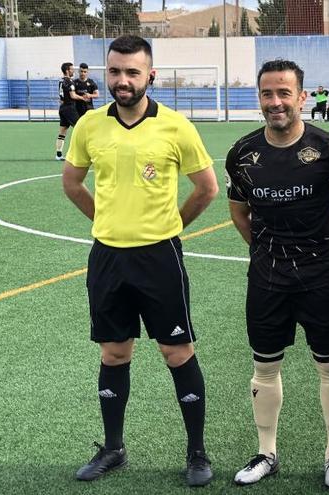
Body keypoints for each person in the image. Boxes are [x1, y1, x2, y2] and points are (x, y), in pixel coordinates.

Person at [62, 35, 218, 487]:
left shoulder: (176, 126)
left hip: (159, 257)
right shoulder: (90, 126)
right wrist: (106, 220)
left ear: (151, 75)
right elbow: (72, 183)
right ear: (106, 74)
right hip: (108, 256)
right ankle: (113, 449)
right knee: (114, 351)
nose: (123, 80)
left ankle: (196, 453)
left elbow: (206, 188)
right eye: (115, 72)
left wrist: (170, 226)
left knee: (176, 351)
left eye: (133, 72)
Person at [227, 59, 329, 490]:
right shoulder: (243, 154)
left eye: (284, 93)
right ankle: (267, 452)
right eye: (268, 93)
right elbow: (238, 211)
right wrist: (267, 254)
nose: (275, 102)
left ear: (302, 97)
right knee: (264, 367)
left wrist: (326, 257)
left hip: (319, 277)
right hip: (267, 278)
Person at [56, 62, 83, 160]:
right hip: (69, 108)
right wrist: (83, 98)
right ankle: (78, 153)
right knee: (80, 129)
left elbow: (61, 97)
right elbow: (73, 96)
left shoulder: (61, 81)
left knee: (62, 131)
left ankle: (58, 155)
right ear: (67, 70)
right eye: (72, 69)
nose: (73, 71)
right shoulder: (69, 82)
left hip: (62, 107)